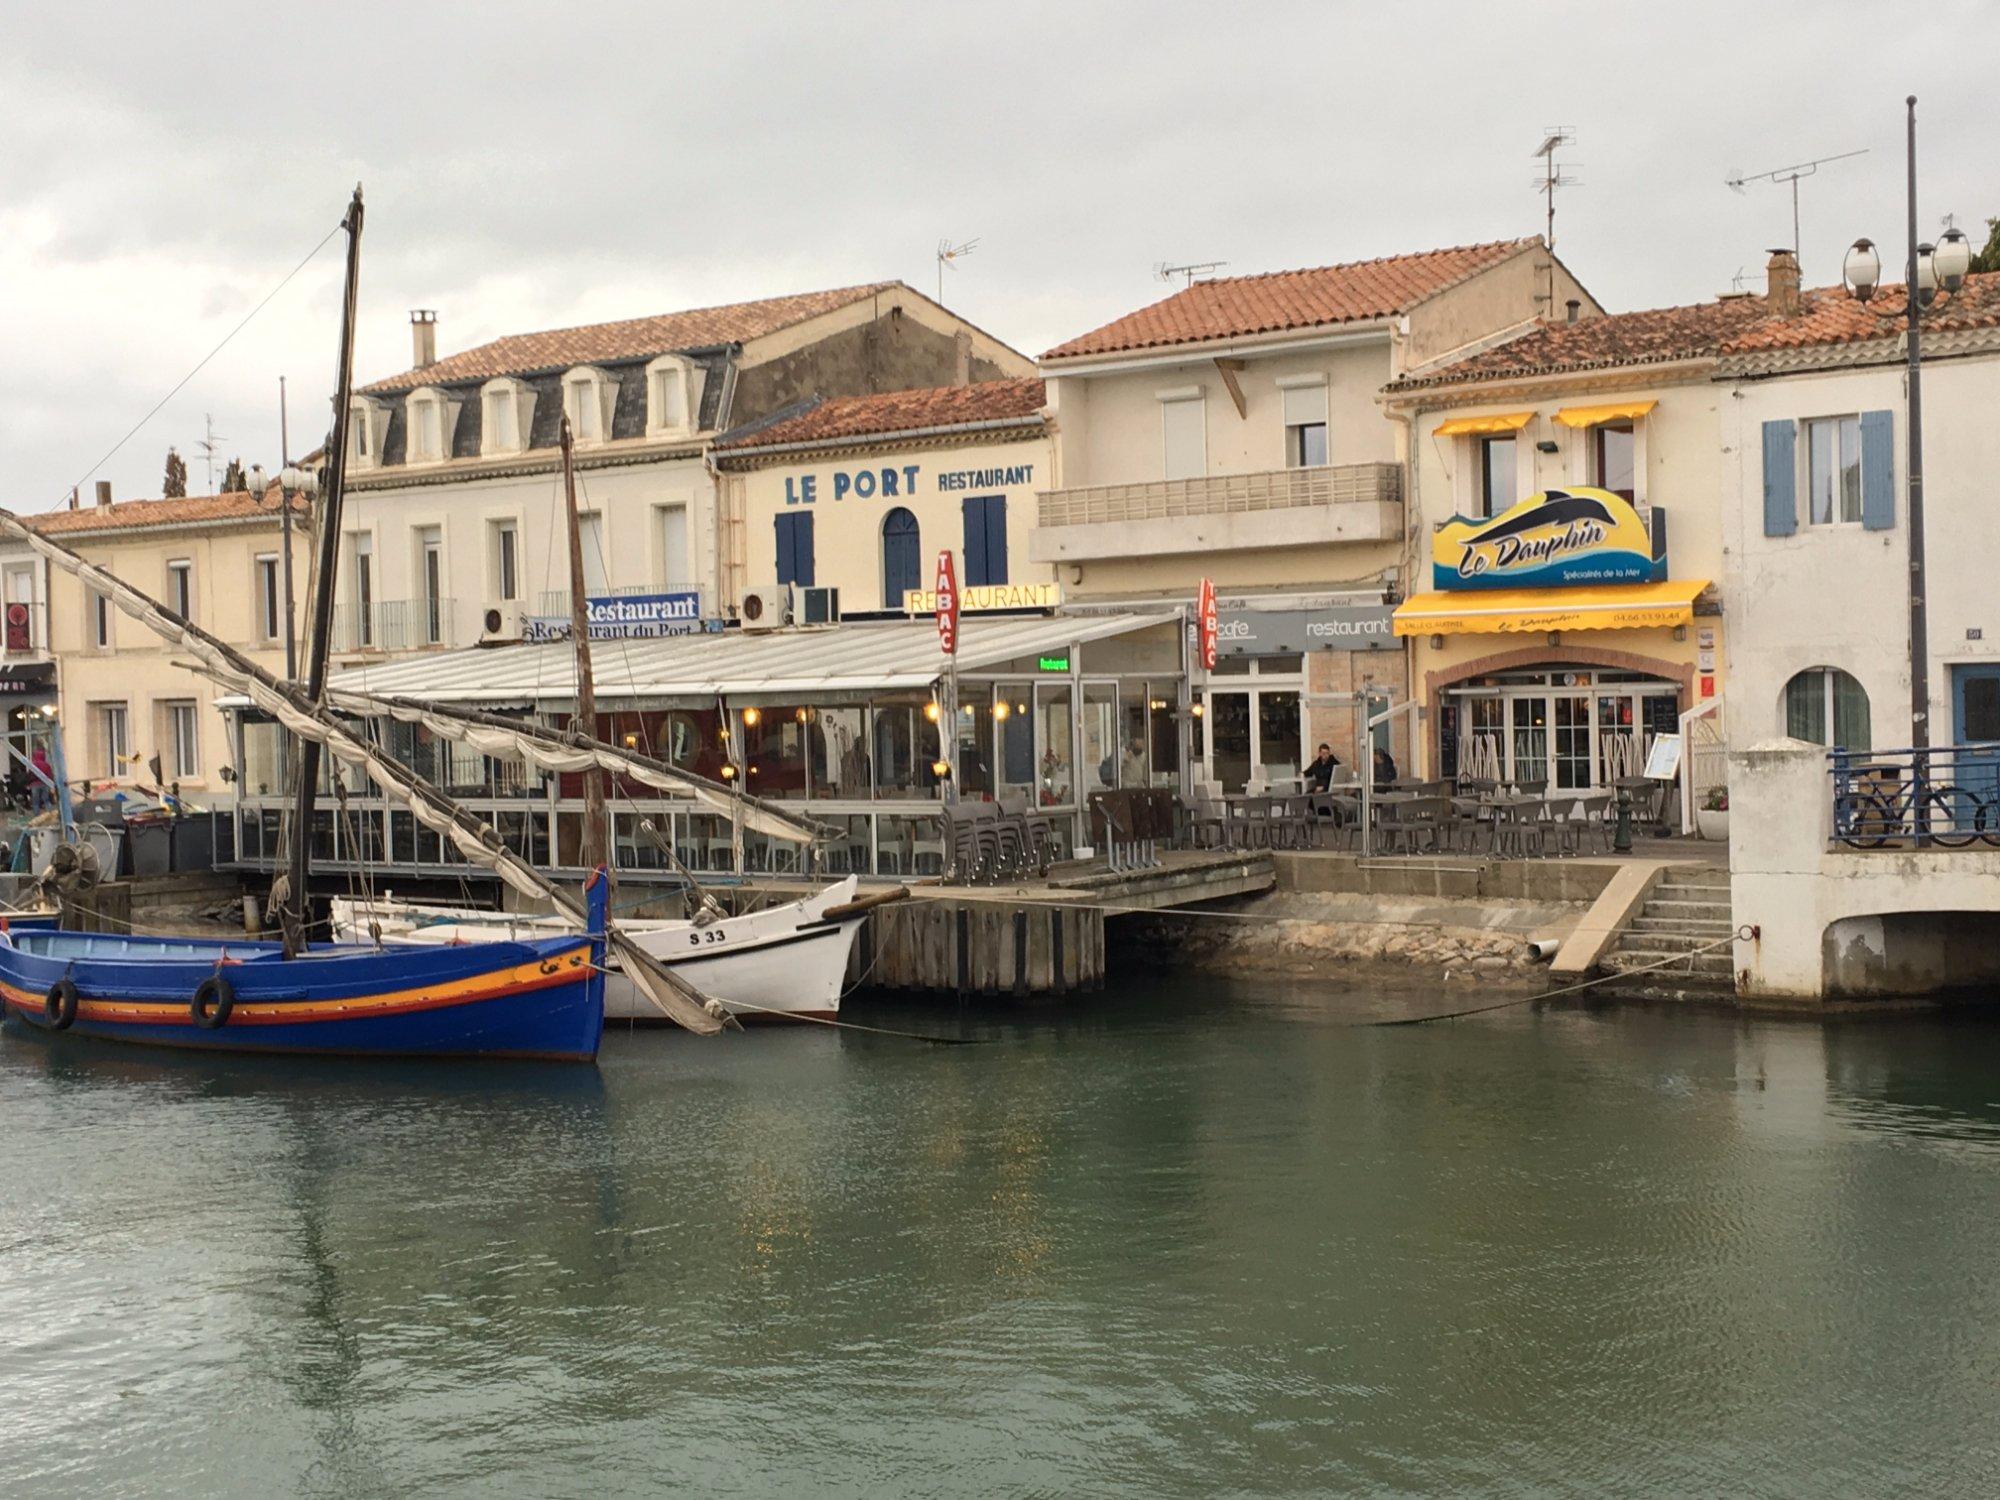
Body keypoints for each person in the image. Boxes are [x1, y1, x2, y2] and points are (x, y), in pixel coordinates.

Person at [28, 745, 52, 813]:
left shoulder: (33, 764)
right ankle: (49, 813)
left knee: (35, 801)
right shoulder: (47, 765)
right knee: (46, 800)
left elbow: (30, 774)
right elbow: (50, 775)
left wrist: (29, 783)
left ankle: (37, 815)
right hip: (45, 783)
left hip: (35, 784)